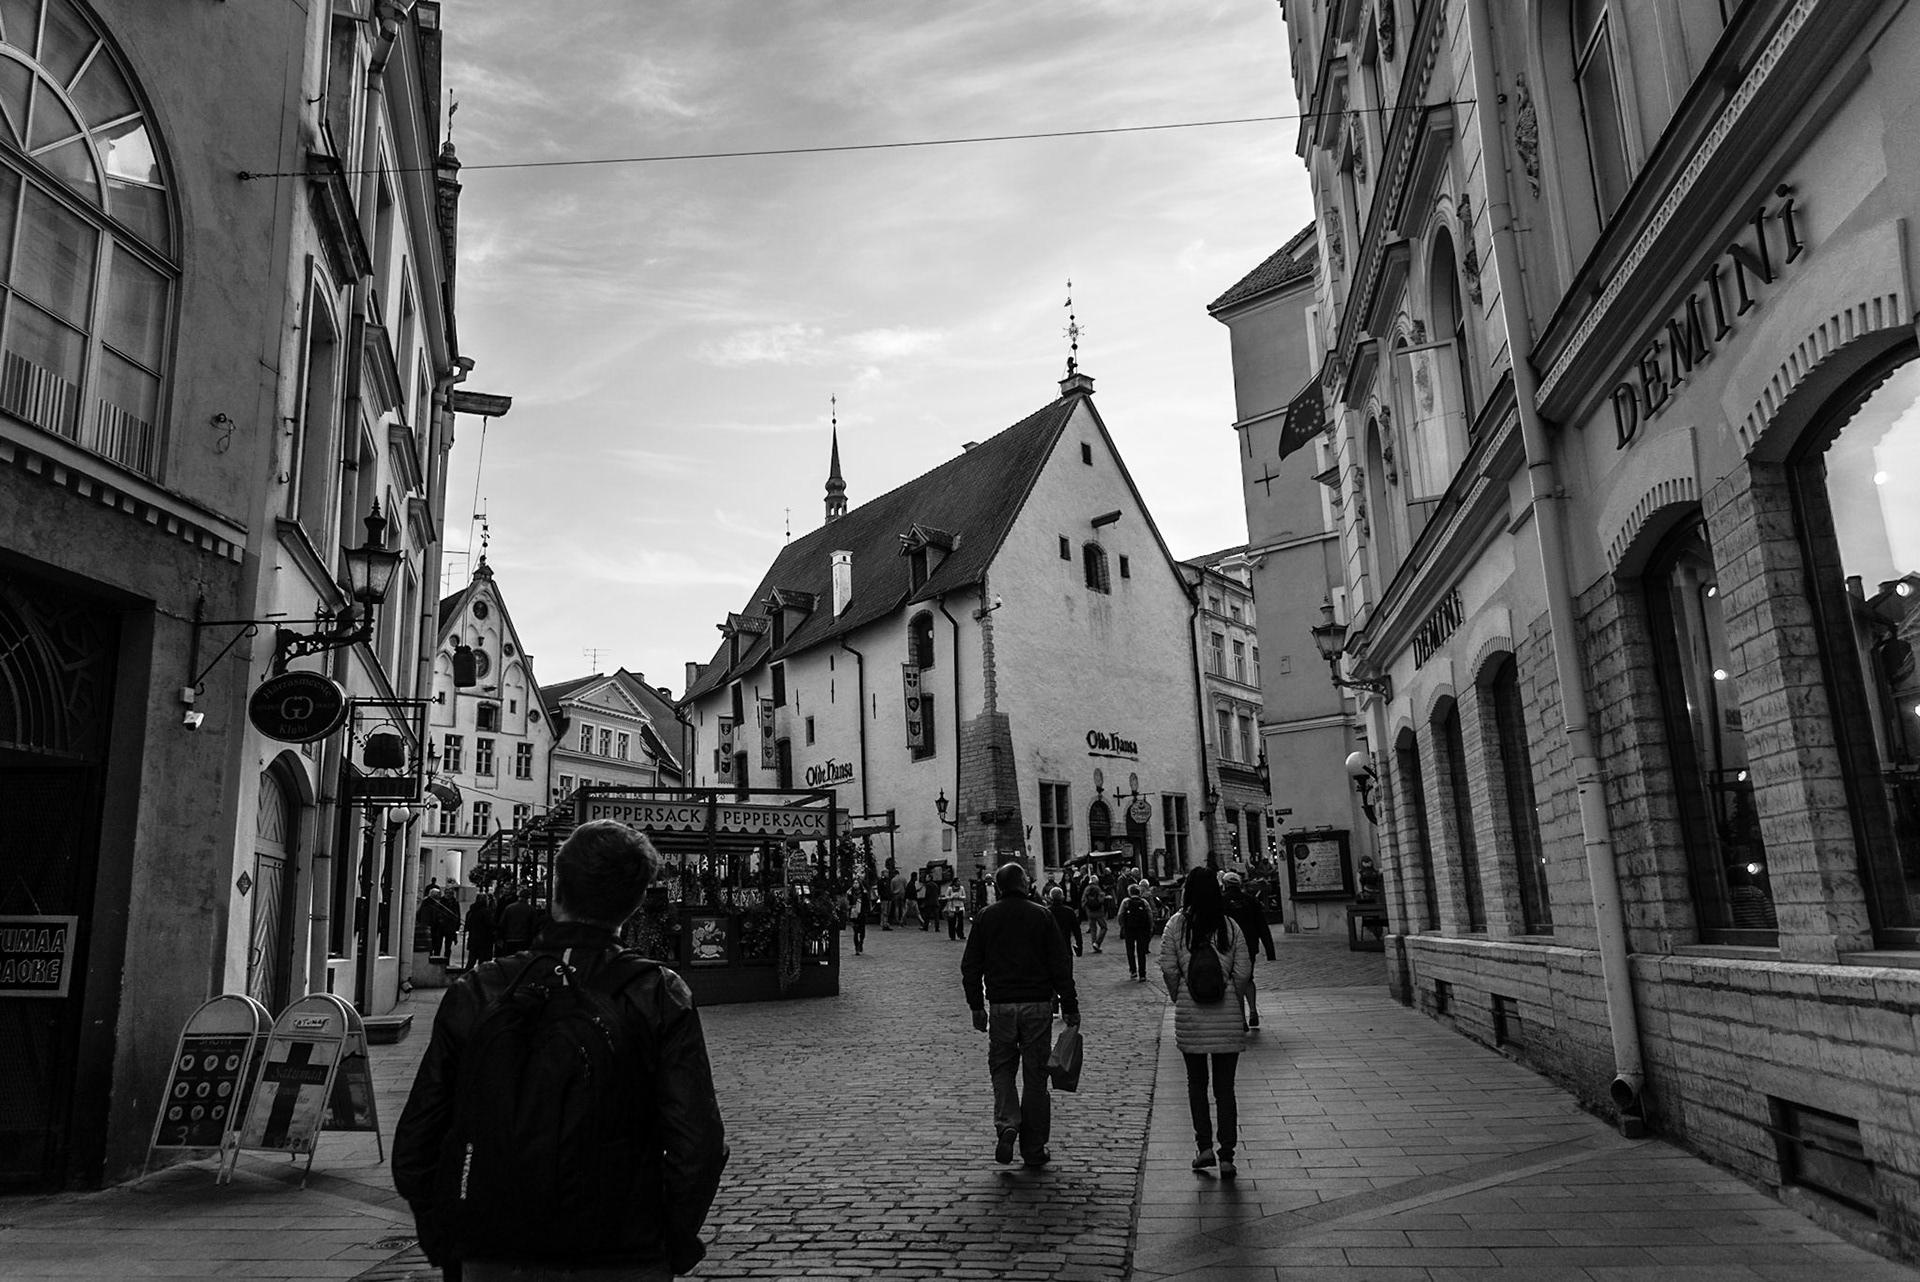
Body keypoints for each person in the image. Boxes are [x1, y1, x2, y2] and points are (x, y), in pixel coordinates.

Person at [393, 820, 728, 1280]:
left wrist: (449, 1235)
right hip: (620, 1251)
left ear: (556, 892)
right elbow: (698, 1143)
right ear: (634, 903)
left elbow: (417, 1139)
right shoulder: (657, 993)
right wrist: (665, 1238)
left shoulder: (481, 988)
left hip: (493, 1250)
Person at [961, 862, 1079, 1169]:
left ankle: (1008, 1122)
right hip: (1037, 1005)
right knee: (1035, 1076)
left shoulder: (986, 917)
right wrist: (1070, 1005)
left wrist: (976, 1005)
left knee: (1002, 1068)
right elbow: (1060, 964)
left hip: (1001, 1006)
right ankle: (1033, 1148)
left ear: (999, 887)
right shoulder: (1042, 915)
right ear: (1023, 884)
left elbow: (971, 965)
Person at [1160, 867, 1251, 1181]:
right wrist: (1230, 996)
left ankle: (1204, 1148)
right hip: (1227, 1017)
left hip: (1191, 1017)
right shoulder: (1229, 926)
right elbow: (1243, 971)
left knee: (1196, 1085)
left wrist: (1181, 994)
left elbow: (1168, 968)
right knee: (1225, 1089)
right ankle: (1227, 1156)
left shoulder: (1176, 925)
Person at [1221, 871, 1276, 1030]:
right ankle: (1252, 1010)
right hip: (1250, 945)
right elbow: (1262, 926)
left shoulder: (1221, 902)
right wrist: (1269, 950)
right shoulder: (1251, 901)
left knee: (1234, 980)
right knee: (1248, 977)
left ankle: (1241, 1019)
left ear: (1225, 884)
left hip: (1229, 945)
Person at [1117, 883, 1154, 980]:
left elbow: (1120, 915)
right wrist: (1150, 927)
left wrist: (1122, 926)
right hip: (1142, 929)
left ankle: (1133, 970)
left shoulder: (1126, 902)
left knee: (1130, 950)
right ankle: (1142, 973)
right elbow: (1150, 914)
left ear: (1129, 892)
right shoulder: (1144, 902)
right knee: (1141, 951)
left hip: (1129, 929)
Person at [494, 884, 540, 958]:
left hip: (510, 939)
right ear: (528, 898)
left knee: (510, 959)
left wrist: (500, 937)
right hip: (524, 940)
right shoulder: (531, 909)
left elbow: (502, 924)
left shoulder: (509, 908)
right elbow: (534, 926)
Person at [463, 890, 496, 972]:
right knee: (483, 964)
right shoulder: (486, 911)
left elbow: (467, 925)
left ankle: (466, 976)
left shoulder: (471, 912)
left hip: (473, 940)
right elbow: (490, 925)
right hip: (484, 941)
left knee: (471, 962)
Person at [1045, 886, 1083, 958]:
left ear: (1050, 898)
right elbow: (1076, 931)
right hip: (1065, 947)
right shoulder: (1069, 911)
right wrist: (1079, 946)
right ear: (1062, 898)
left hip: (1050, 949)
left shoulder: (1046, 912)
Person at [1081, 879, 1108, 954]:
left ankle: (1094, 945)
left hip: (1089, 911)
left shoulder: (1086, 889)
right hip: (1098, 911)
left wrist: (1085, 908)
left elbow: (1083, 900)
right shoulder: (1098, 888)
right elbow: (1101, 900)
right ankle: (1097, 942)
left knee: (1093, 929)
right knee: (1104, 927)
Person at [849, 879, 871, 955]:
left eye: (857, 883)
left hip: (861, 913)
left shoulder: (864, 893)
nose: (855, 885)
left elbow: (867, 903)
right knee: (855, 930)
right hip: (853, 912)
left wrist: (866, 911)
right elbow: (848, 902)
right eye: (854, 883)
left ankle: (861, 942)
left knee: (862, 930)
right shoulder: (850, 893)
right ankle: (857, 946)